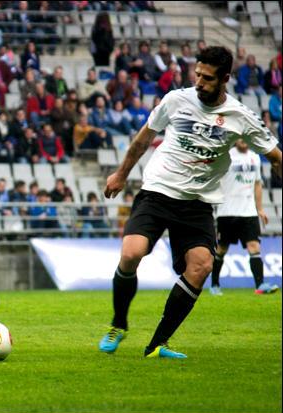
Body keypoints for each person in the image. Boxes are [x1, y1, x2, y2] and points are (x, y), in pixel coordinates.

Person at [99, 46, 282, 359]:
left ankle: (157, 344)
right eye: (197, 74)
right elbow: (143, 138)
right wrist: (120, 174)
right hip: (157, 191)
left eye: (207, 78)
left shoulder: (240, 117)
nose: (199, 81)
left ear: (225, 78)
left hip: (196, 203)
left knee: (202, 266)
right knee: (131, 254)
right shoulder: (175, 100)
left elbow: (276, 157)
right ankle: (118, 324)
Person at [209, 140, 279, 295]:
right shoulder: (226, 156)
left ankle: (260, 285)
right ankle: (214, 285)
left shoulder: (255, 157)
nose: (243, 142)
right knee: (221, 249)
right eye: (240, 139)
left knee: (254, 247)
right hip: (227, 212)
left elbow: (257, 184)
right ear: (236, 140)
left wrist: (260, 209)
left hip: (249, 212)